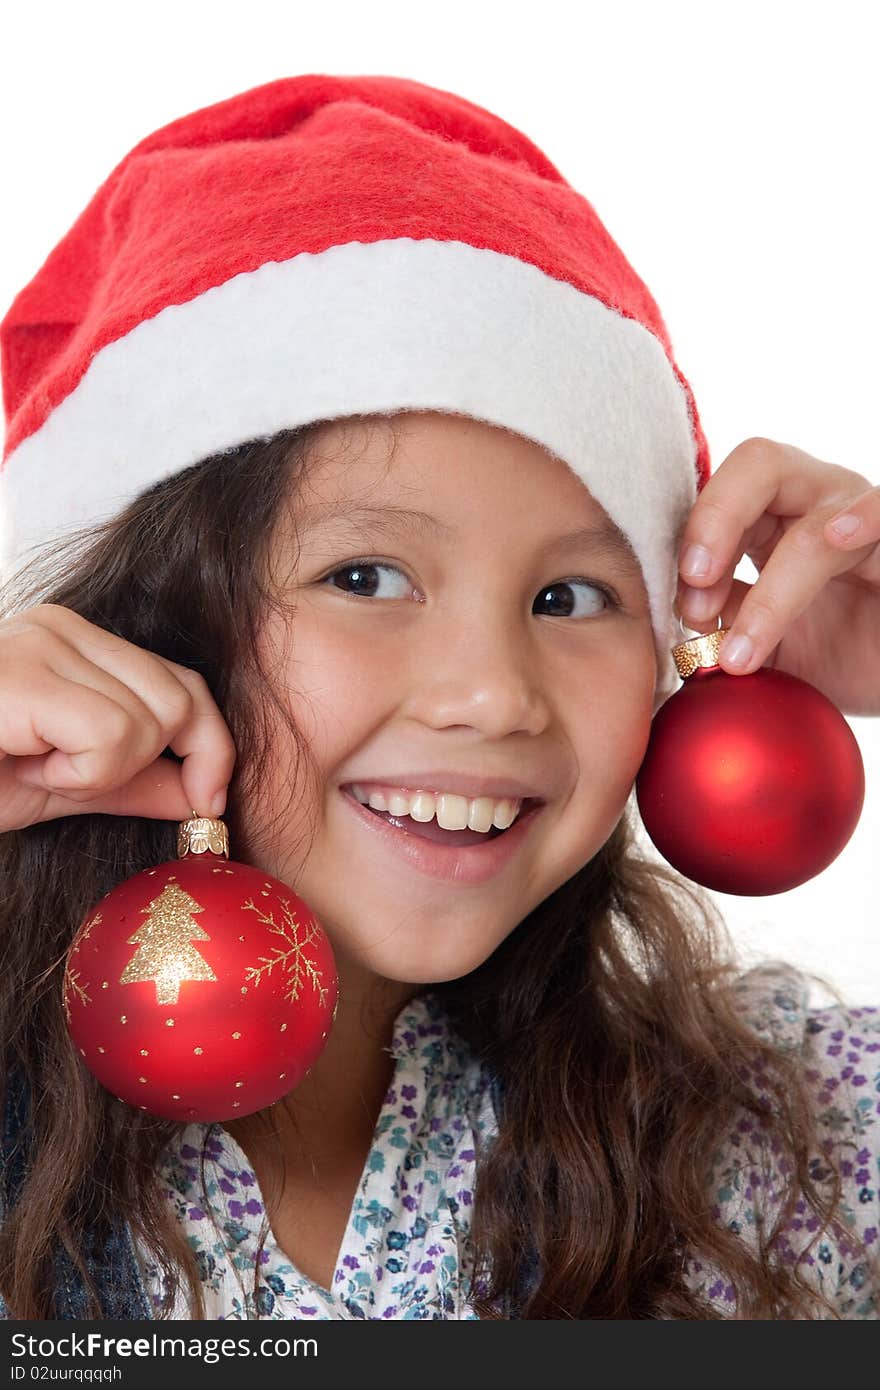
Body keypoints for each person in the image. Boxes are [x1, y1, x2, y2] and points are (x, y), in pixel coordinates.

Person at [0, 74, 877, 1323]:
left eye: (572, 596)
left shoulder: (791, 1143)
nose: (489, 695)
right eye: (366, 575)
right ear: (139, 626)